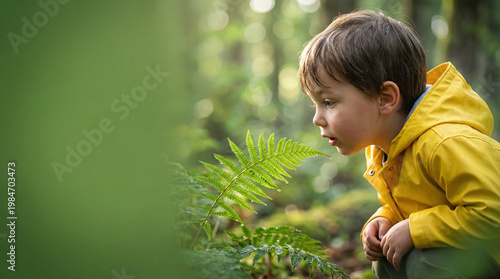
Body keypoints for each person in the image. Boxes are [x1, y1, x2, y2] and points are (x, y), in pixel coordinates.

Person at [298, 10, 500, 278]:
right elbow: (414, 204)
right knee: (386, 257)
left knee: (424, 262)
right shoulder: (384, 148)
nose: (317, 119)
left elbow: (493, 216)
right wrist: (386, 220)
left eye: (329, 102)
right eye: (315, 104)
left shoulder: (445, 142)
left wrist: (415, 229)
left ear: (385, 98)